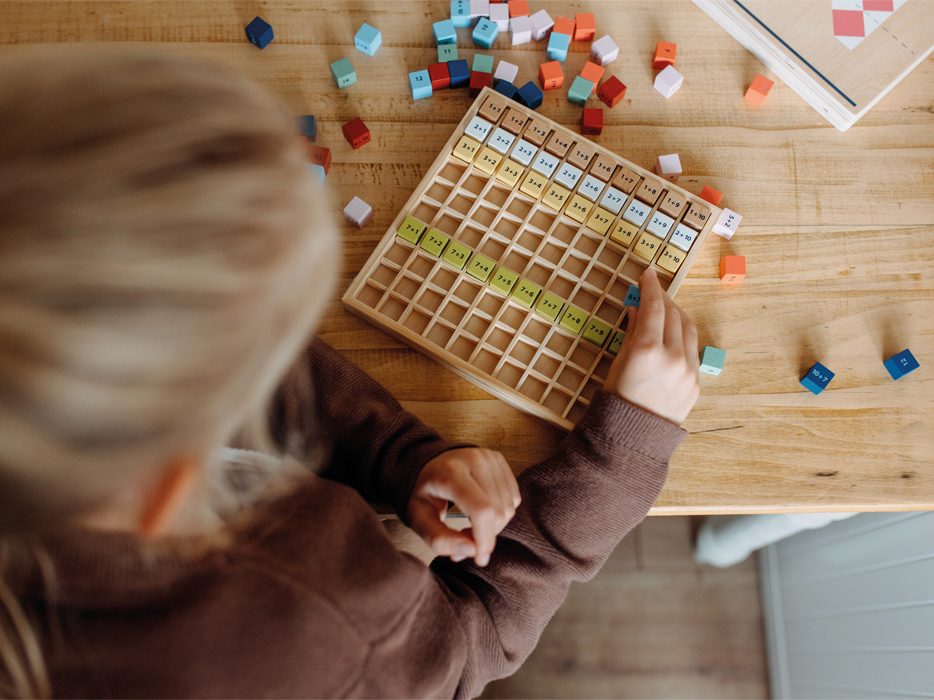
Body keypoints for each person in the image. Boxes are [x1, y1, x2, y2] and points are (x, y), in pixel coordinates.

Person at [0, 45, 699, 699]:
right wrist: (623, 455)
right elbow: (482, 630)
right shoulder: (322, 628)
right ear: (169, 487)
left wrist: (404, 460)